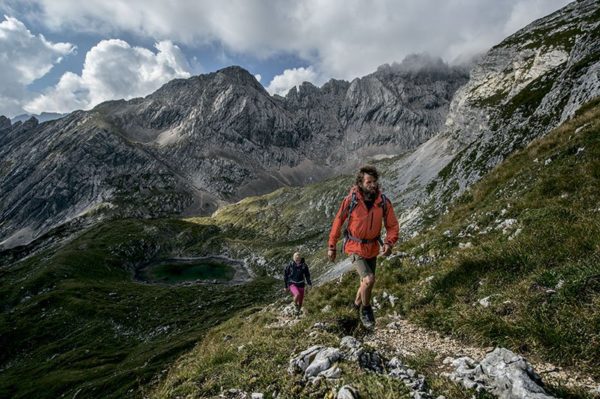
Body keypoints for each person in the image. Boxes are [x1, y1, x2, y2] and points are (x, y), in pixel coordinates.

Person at [328, 165, 399, 328]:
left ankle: (354, 309)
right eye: (368, 182)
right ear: (360, 183)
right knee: (369, 280)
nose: (372, 185)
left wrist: (389, 242)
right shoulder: (351, 200)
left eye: (374, 181)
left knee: (365, 283)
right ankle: (366, 309)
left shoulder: (383, 202)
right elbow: (338, 221)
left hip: (373, 247)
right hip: (354, 246)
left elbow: (392, 225)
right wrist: (331, 246)